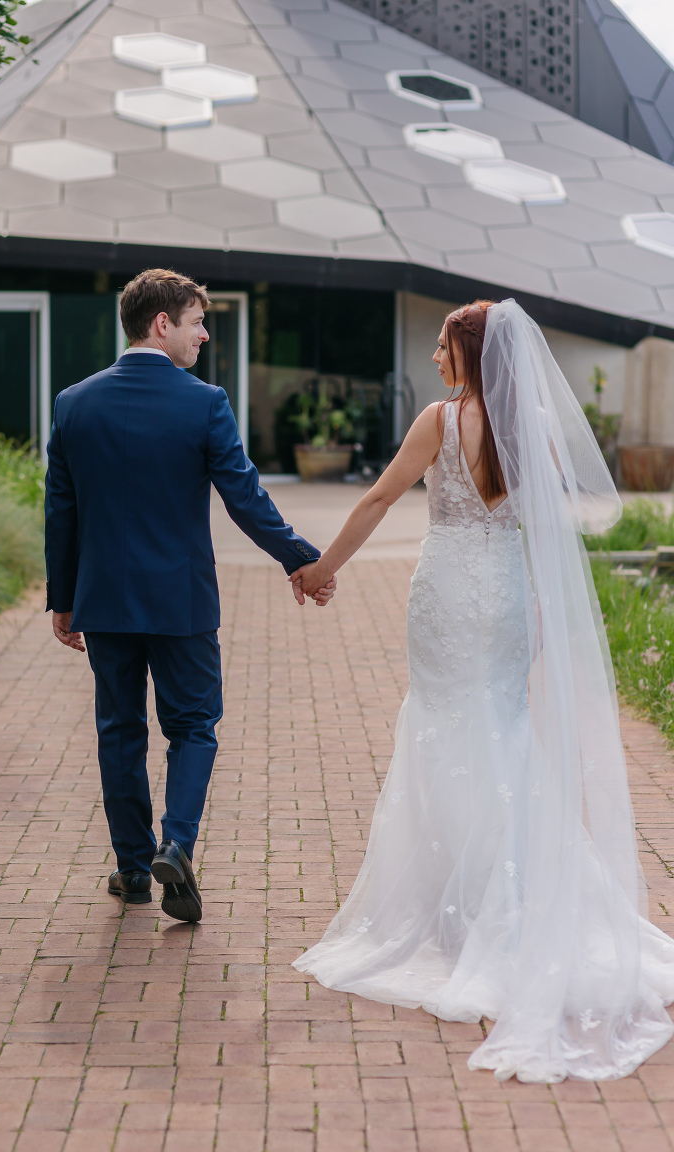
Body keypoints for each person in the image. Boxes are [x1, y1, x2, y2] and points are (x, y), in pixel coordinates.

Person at [290, 299, 674, 1082]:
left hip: (446, 588)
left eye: (443, 345)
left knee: (441, 728)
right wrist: (534, 601)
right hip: (504, 592)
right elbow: (548, 520)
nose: (434, 357)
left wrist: (322, 567)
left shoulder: (440, 419)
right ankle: (509, 899)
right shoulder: (526, 419)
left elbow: (376, 497)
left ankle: (460, 913)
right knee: (500, 732)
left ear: (471, 352)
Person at [45, 268, 335, 924]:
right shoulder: (204, 403)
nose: (204, 334)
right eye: (197, 321)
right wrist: (301, 559)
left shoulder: (73, 404)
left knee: (119, 731)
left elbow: (60, 513)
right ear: (161, 324)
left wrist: (63, 598)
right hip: (181, 600)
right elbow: (245, 500)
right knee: (194, 725)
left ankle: (131, 867)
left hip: (106, 601)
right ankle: (176, 843)